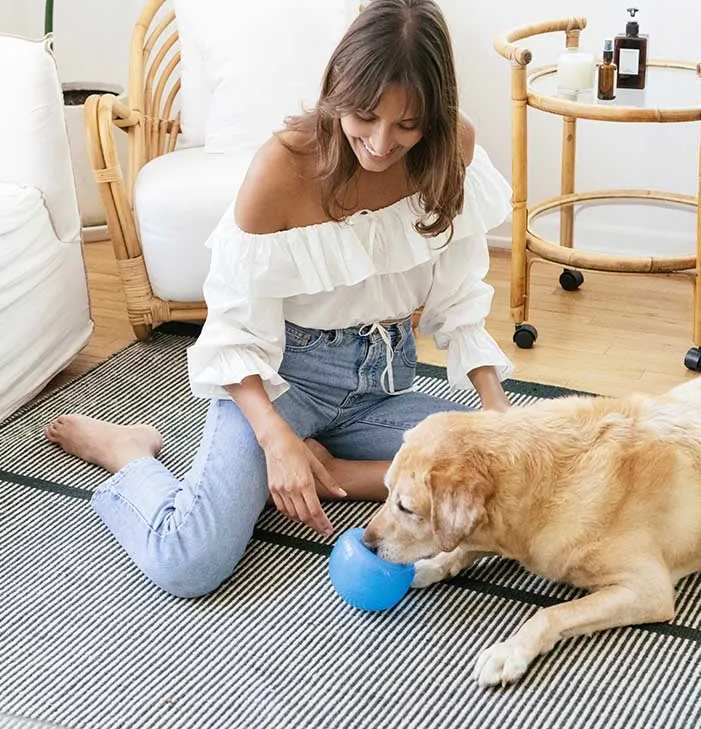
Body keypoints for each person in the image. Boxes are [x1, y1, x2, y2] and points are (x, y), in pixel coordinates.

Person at [44, 0, 514, 598]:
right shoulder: (285, 166)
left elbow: (461, 296)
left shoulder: (453, 150)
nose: (379, 142)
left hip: (381, 384)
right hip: (278, 384)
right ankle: (130, 455)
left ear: (437, 114)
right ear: (339, 89)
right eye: (365, 116)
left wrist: (495, 409)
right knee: (190, 560)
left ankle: (331, 472)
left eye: (407, 125)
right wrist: (276, 438)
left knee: (490, 479)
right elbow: (233, 330)